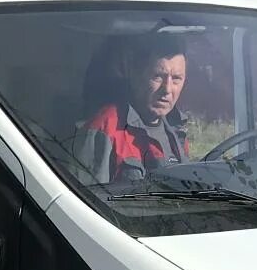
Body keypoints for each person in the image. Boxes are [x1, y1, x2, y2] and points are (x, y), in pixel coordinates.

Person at [74, 33, 192, 184]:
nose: (167, 89)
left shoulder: (177, 129)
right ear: (136, 75)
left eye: (176, 79)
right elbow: (85, 200)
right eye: (157, 76)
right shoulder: (105, 128)